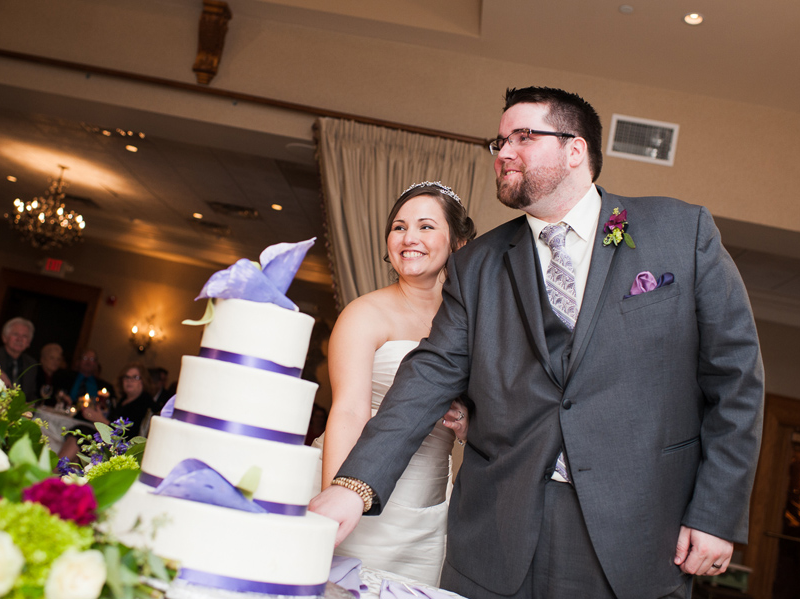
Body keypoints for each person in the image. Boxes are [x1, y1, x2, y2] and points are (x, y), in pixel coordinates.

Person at [310, 87, 765, 599]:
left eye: (524, 136)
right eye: (500, 140)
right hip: (498, 536)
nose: (504, 151)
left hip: (638, 534)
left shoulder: (680, 233)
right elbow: (427, 377)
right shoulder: (475, 266)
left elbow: (736, 381)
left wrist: (716, 512)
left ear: (576, 150)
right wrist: (352, 488)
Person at [311, 181, 475, 585]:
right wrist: (338, 496)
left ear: (458, 242)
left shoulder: (472, 321)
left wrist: (469, 424)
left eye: (425, 227)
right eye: (399, 227)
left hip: (431, 503)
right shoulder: (364, 314)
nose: (409, 238)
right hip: (358, 482)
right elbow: (348, 410)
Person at [80, 362, 155, 440]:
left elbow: (129, 435)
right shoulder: (124, 399)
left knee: (82, 432)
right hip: (111, 441)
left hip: (123, 447)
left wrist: (101, 420)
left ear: (144, 381)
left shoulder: (145, 403)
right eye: (126, 377)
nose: (129, 380)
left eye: (135, 377)